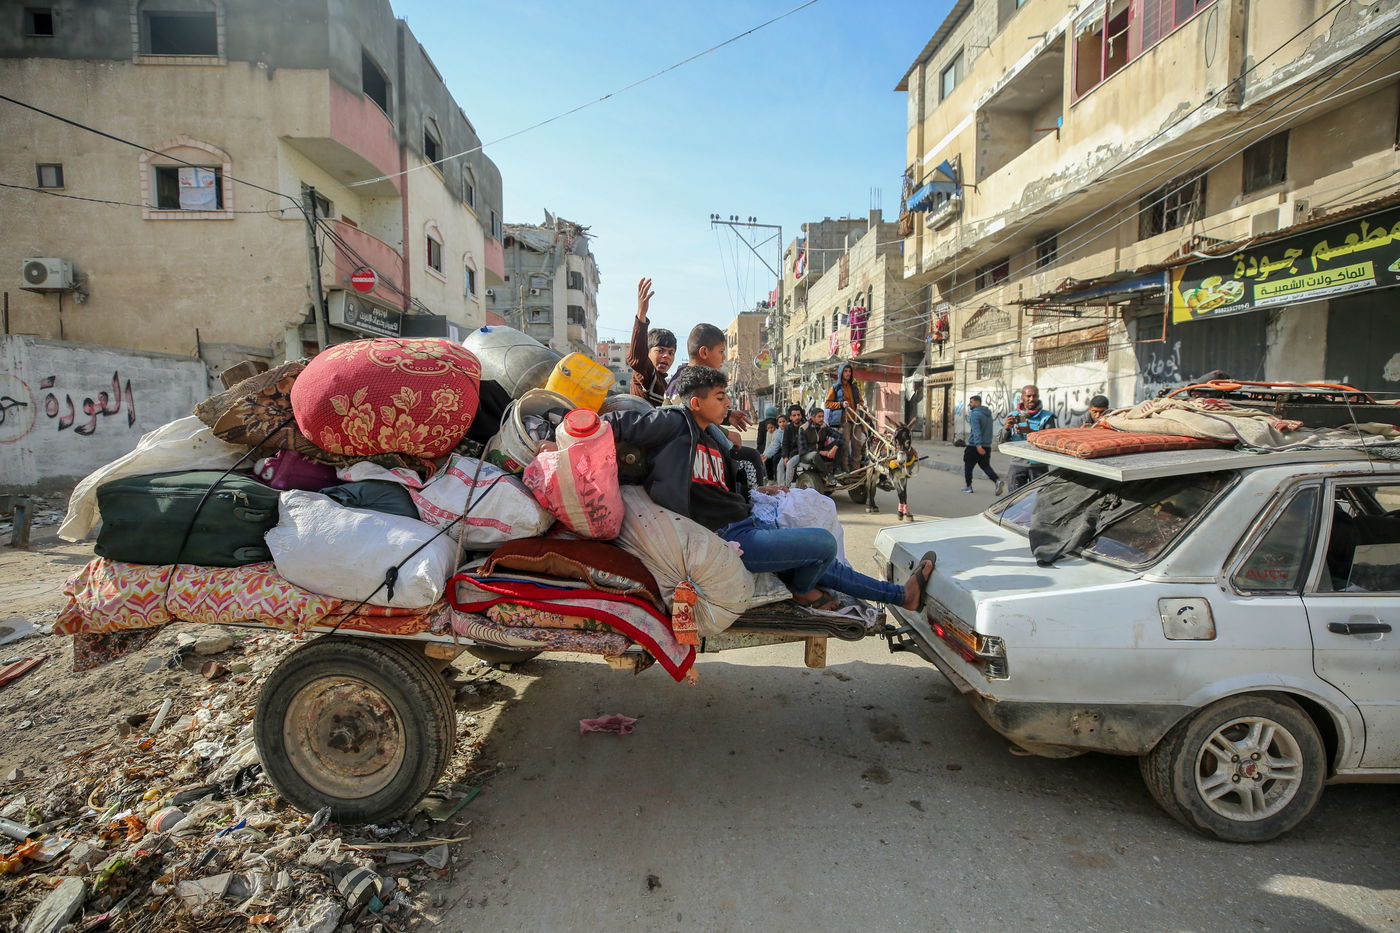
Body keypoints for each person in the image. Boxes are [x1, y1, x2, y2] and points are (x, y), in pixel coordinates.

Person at [602, 366, 933, 612]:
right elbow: (618, 424)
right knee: (822, 543)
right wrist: (559, 427)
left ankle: (902, 596)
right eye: (719, 397)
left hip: (746, 524)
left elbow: (726, 483)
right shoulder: (675, 422)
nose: (727, 403)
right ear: (696, 403)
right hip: (729, 539)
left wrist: (760, 493)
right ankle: (803, 591)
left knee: (825, 563)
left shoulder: (711, 437)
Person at [665, 323, 751, 429]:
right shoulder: (684, 381)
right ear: (704, 352)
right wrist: (726, 434)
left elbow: (699, 413)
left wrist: (727, 416)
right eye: (721, 351)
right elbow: (687, 420)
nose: (724, 357)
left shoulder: (697, 378)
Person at [625, 278, 676, 406]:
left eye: (671, 353)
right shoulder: (646, 373)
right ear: (647, 352)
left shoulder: (665, 385)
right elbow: (636, 358)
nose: (666, 356)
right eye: (660, 350)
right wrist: (641, 314)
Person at [1000, 384, 1058, 492]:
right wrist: (1006, 428)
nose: (1032, 399)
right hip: (1018, 463)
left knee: (1038, 500)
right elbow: (1002, 442)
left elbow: (1050, 441)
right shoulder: (1013, 415)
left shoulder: (1047, 417)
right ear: (1022, 397)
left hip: (1039, 465)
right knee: (1014, 501)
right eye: (1028, 396)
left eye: (1034, 396)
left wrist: (1029, 431)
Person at [825, 363, 864, 472]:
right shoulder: (835, 387)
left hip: (855, 420)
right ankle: (845, 469)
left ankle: (855, 468)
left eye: (849, 371)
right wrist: (840, 404)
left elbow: (861, 401)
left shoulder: (854, 387)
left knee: (857, 445)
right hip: (843, 421)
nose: (848, 373)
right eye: (845, 371)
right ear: (841, 373)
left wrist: (860, 405)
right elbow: (827, 404)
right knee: (845, 446)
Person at [961, 394, 1004, 495]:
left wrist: (978, 445)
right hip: (986, 446)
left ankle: (968, 486)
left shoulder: (975, 414)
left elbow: (976, 430)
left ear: (977, 402)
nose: (969, 404)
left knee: (968, 466)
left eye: (971, 402)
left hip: (974, 446)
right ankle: (997, 481)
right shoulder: (988, 414)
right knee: (985, 465)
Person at [799, 407, 844, 479]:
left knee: (839, 443)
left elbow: (840, 436)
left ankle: (837, 469)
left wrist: (834, 448)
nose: (821, 419)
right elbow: (804, 449)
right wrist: (820, 452)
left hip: (821, 453)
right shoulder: (803, 428)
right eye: (819, 416)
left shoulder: (824, 426)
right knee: (814, 454)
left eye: (823, 416)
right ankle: (827, 475)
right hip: (806, 455)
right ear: (813, 418)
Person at [777, 404, 805, 485]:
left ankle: (786, 487)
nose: (797, 417)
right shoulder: (788, 428)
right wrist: (785, 456)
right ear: (790, 417)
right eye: (794, 415)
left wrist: (790, 456)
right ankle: (780, 487)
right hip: (790, 453)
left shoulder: (805, 426)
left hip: (801, 452)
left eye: (798, 415)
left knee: (789, 464)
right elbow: (785, 444)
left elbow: (802, 446)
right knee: (780, 465)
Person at [760, 410, 786, 481]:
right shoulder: (778, 432)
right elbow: (774, 445)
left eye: (784, 421)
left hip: (788, 451)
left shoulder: (788, 430)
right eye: (780, 422)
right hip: (779, 450)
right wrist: (765, 454)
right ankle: (771, 479)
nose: (782, 424)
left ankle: (778, 479)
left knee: (776, 459)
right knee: (767, 459)